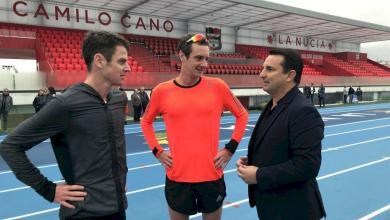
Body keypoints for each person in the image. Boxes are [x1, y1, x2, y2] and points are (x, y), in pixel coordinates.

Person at [0, 31, 130, 219]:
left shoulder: (118, 99)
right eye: (121, 61)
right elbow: (10, 146)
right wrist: (48, 190)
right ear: (100, 61)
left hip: (118, 208)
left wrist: (116, 182)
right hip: (83, 213)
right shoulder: (66, 104)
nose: (128, 68)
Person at [141, 33, 248, 220]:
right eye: (199, 58)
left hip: (212, 175)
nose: (205, 64)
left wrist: (230, 148)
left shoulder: (218, 86)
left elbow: (242, 114)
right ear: (182, 56)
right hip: (178, 178)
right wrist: (158, 151)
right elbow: (145, 121)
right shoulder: (161, 91)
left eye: (207, 58)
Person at [236, 48, 326, 220]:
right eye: (262, 68)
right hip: (272, 207)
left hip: (294, 210)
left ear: (290, 75)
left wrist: (258, 175)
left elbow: (308, 165)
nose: (262, 74)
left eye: (269, 69)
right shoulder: (273, 104)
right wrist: (254, 159)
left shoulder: (303, 111)